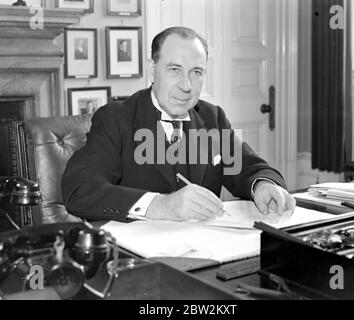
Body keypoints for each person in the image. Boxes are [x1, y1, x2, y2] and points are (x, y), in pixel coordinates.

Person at [62, 27, 296, 223]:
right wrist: (161, 205)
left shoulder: (212, 118)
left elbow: (250, 169)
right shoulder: (115, 118)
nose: (186, 85)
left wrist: (263, 185)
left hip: (205, 253)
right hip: (139, 260)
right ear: (152, 70)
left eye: (196, 72)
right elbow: (80, 191)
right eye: (174, 70)